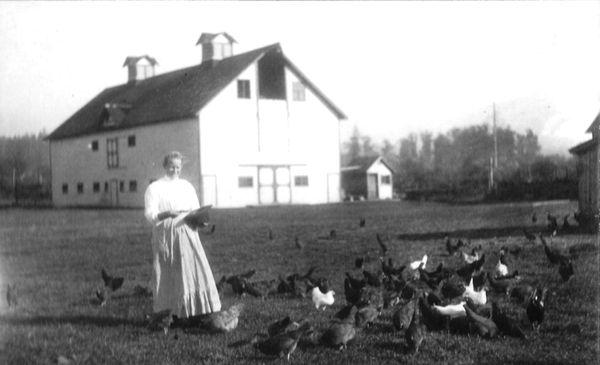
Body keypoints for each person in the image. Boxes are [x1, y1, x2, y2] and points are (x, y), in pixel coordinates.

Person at [144, 151, 221, 318]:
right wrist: (167, 214)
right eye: (172, 166)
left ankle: (195, 311)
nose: (175, 170)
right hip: (166, 233)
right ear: (165, 166)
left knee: (192, 269)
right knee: (169, 272)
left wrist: (201, 219)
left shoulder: (186, 186)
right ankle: (170, 312)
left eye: (178, 167)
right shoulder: (155, 187)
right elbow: (150, 214)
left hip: (187, 230)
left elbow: (195, 208)